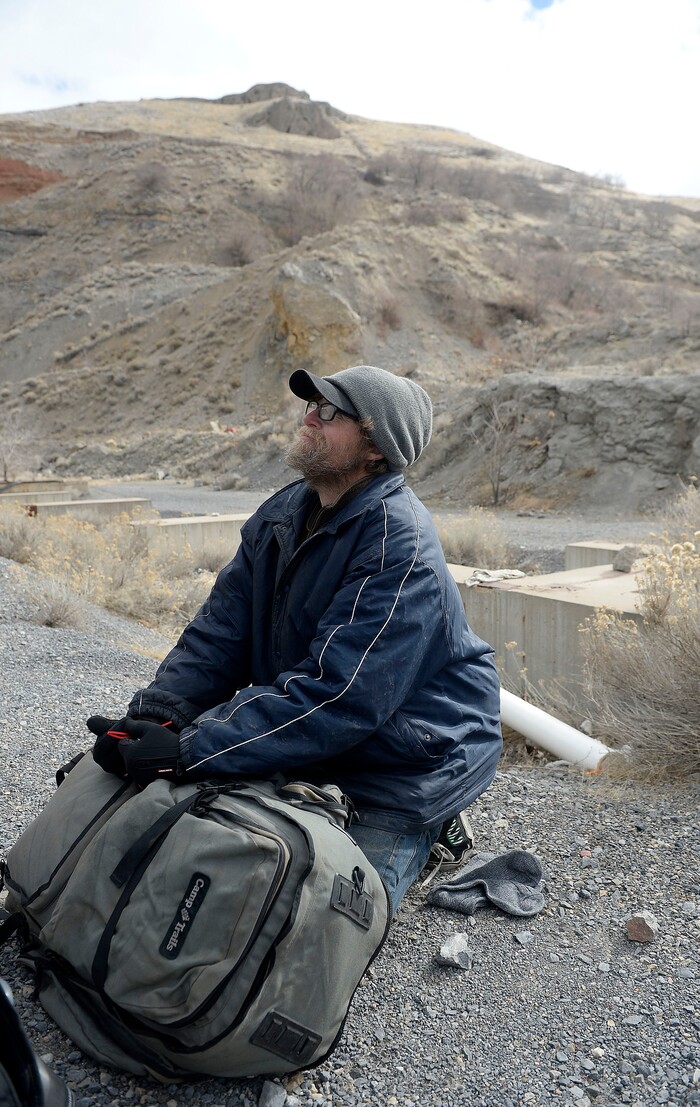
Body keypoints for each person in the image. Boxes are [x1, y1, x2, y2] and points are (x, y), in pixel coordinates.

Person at [88, 365, 502, 913]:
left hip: (408, 758)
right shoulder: (284, 514)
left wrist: (189, 751)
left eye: (331, 411)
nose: (310, 415)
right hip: (324, 734)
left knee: (311, 914)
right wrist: (157, 719)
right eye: (310, 403)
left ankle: (434, 829)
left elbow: (339, 696)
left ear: (377, 448)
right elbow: (217, 636)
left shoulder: (399, 547)